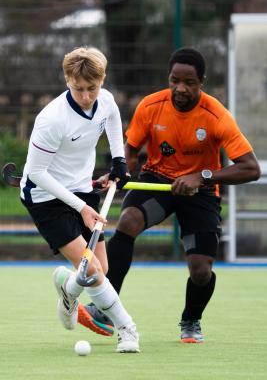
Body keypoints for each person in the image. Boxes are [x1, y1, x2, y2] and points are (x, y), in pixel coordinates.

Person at [85, 47, 261, 343]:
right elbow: (129, 151)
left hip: (200, 192)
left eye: (189, 82)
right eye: (174, 80)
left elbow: (251, 168)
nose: (180, 88)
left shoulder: (216, 116)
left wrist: (202, 176)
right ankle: (105, 309)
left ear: (201, 82)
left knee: (201, 269)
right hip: (159, 183)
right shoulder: (151, 106)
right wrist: (120, 172)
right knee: (128, 221)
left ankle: (191, 319)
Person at [20, 46, 140, 353]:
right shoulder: (51, 120)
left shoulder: (106, 100)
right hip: (46, 195)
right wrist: (82, 207)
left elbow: (112, 119)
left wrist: (118, 161)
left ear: (102, 80)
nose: (86, 96)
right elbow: (36, 172)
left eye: (92, 89)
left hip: (81, 188)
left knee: (101, 267)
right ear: (66, 79)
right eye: (78, 89)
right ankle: (127, 329)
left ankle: (67, 289)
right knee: (93, 271)